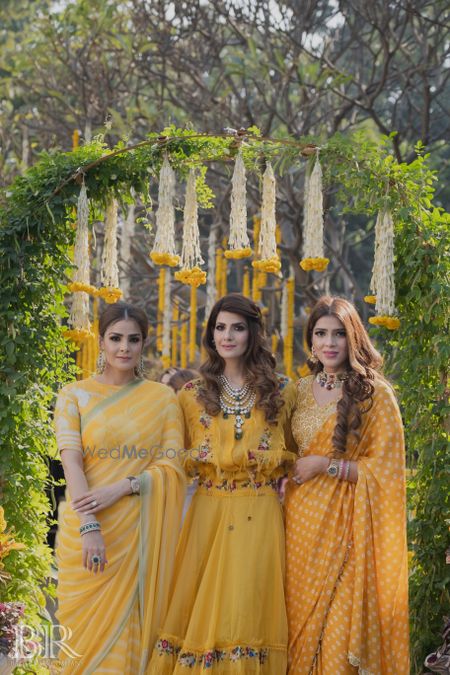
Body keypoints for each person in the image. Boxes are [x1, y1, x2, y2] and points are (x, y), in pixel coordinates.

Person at [149, 293, 297, 673]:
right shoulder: (189, 396)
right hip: (207, 513)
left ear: (253, 334)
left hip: (260, 513)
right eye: (220, 327)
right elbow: (165, 458)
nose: (227, 336)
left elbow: (298, 451)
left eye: (237, 327)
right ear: (210, 334)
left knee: (245, 611)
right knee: (202, 615)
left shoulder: (282, 390)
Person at [54, 302, 185, 674]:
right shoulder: (74, 395)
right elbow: (72, 463)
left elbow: (173, 465)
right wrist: (90, 525)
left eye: (133, 339)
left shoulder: (162, 399)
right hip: (85, 528)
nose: (124, 348)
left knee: (130, 638)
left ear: (144, 343)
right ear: (101, 341)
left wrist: (124, 487)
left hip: (140, 532)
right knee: (79, 643)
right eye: (115, 338)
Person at [285, 296, 409, 674]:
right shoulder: (296, 391)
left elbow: (387, 472)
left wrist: (327, 465)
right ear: (311, 340)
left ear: (353, 337)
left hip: (350, 534)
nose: (329, 343)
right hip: (297, 533)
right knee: (296, 636)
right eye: (320, 333)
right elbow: (278, 456)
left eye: (338, 334)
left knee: (338, 647)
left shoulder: (375, 394)